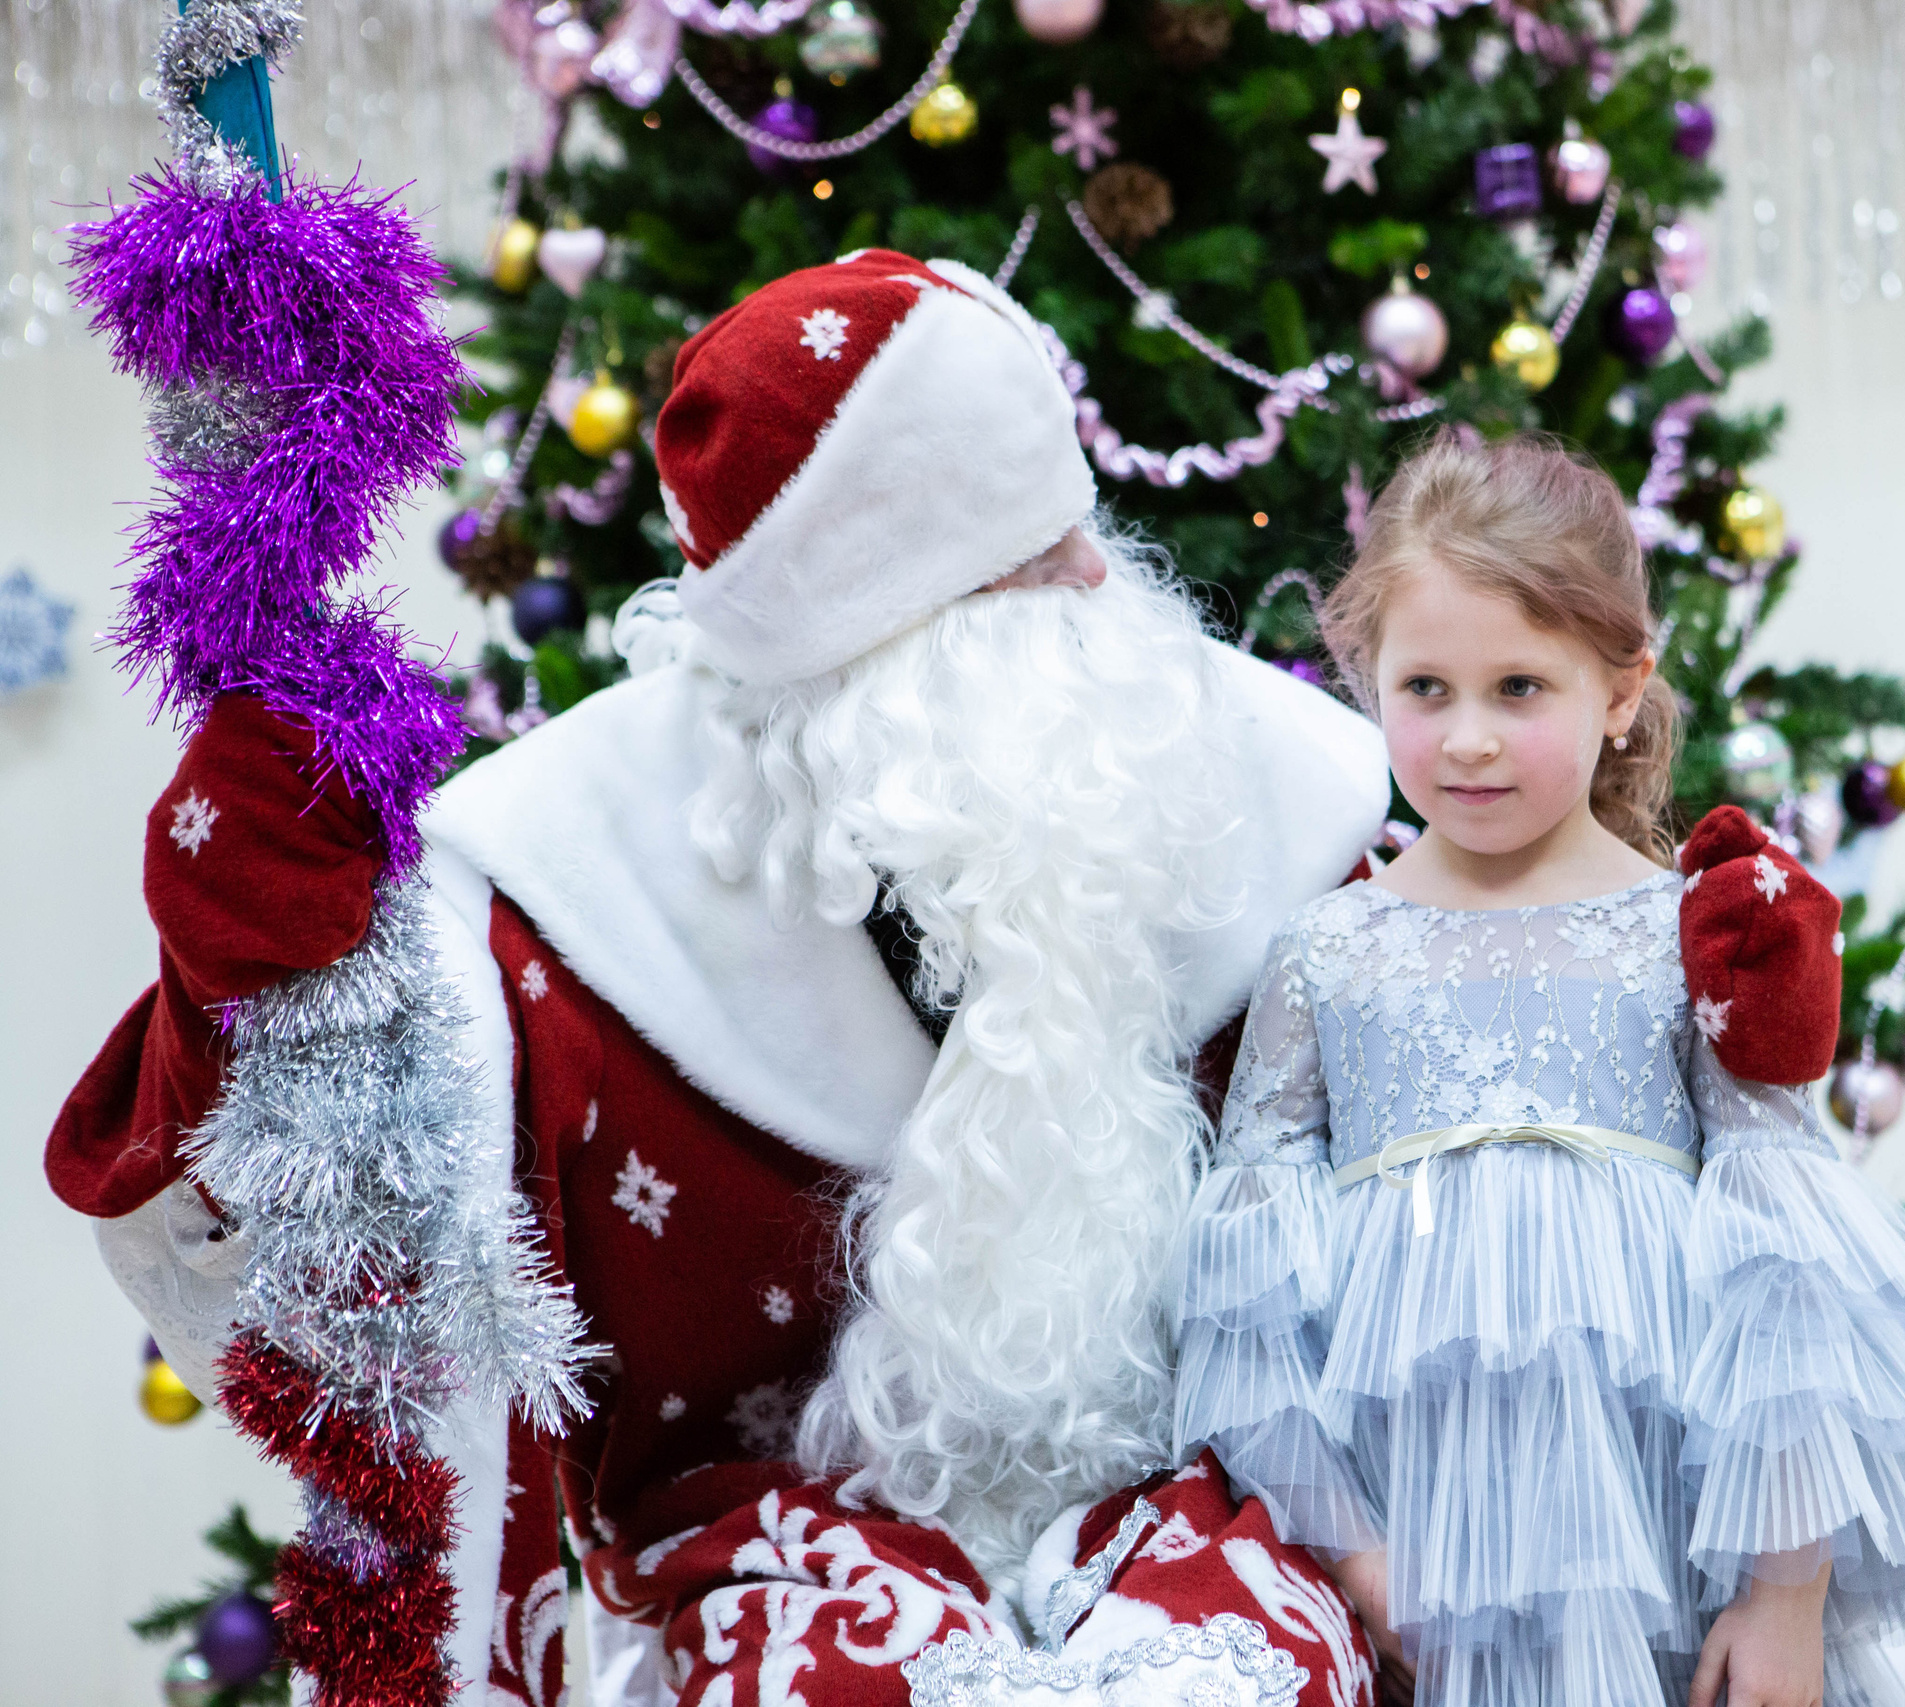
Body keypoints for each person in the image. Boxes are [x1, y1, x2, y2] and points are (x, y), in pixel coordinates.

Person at [49, 251, 1388, 1706]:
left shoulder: (1274, 800)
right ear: (871, 661)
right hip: (772, 1559)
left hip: (1208, 1516)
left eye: (1078, 532)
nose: (1096, 580)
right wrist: (250, 983)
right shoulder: (568, 905)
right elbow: (313, 1280)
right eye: (1026, 569)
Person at [1172, 431, 1905, 1707]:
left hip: (1666, 1542)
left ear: (1620, 692)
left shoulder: (1686, 936)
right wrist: (1351, 1553)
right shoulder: (1326, 953)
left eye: (1520, 688)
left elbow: (1787, 1282)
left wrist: (1785, 1595)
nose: (1466, 740)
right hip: (1411, 1546)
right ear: (1368, 681)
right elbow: (1246, 1301)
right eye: (1425, 689)